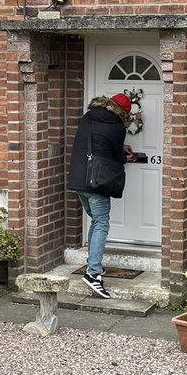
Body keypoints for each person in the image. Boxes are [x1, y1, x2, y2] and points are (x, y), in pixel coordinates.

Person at [67, 92, 136, 299]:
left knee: (96, 221)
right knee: (101, 222)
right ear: (124, 112)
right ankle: (93, 274)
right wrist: (126, 156)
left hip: (79, 180)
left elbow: (97, 143)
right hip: (96, 183)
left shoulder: (88, 117)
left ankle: (93, 264)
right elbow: (115, 156)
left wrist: (118, 148)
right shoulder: (117, 127)